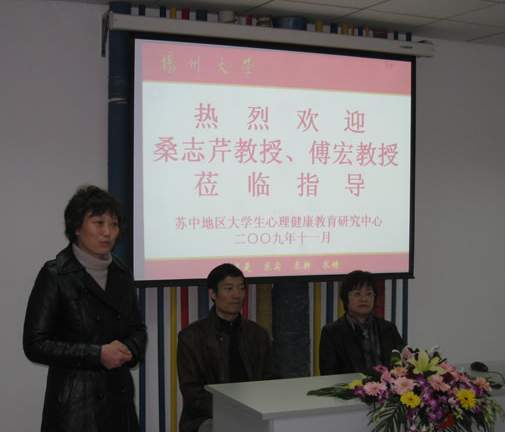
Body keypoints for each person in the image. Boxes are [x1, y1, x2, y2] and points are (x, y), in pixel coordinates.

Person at [23, 185, 147, 432]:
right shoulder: (55, 274)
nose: (107, 232)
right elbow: (35, 344)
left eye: (113, 225)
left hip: (119, 402)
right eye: (98, 223)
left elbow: (137, 329)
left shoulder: (121, 273)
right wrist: (96, 354)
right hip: (76, 409)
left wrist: (130, 349)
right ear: (77, 228)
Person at [177, 263, 272, 432]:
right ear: (213, 294)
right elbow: (193, 393)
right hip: (208, 417)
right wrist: (233, 412)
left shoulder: (258, 334)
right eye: (229, 289)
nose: (237, 295)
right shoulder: (191, 337)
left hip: (256, 413)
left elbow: (271, 380)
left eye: (241, 288)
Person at [319, 270, 403, 375]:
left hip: (387, 384)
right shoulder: (332, 332)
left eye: (369, 294)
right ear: (345, 298)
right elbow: (328, 374)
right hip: (349, 385)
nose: (364, 299)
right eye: (357, 294)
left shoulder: (389, 328)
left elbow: (403, 364)